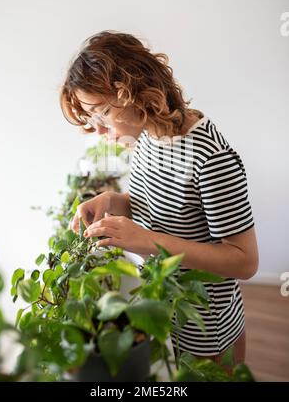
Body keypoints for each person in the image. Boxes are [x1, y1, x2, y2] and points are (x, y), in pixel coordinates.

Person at [59, 30, 259, 366]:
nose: (99, 130)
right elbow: (153, 203)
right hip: (167, 315)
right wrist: (111, 200)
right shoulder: (151, 135)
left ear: (132, 92)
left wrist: (149, 241)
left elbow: (244, 260)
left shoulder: (209, 157)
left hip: (207, 328)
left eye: (101, 113)